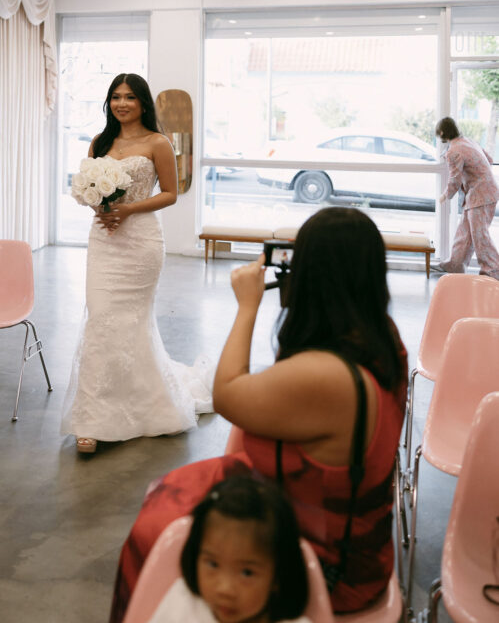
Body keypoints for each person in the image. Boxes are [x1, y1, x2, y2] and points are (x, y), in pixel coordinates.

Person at [109, 208, 407, 619]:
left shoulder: (328, 377)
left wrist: (247, 306)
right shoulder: (380, 337)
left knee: (151, 531)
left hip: (328, 566)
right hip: (353, 538)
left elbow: (227, 394)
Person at [61, 73, 212, 454]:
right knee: (100, 319)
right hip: (105, 237)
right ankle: (93, 418)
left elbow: (170, 194)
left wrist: (127, 210)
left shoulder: (157, 142)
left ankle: (144, 403)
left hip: (141, 240)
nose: (122, 103)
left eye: (129, 97)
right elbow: (88, 186)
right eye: (115, 97)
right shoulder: (101, 141)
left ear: (143, 103)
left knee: (131, 322)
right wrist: (102, 207)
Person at [147, 476, 309, 623]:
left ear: (277, 576)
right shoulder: (182, 604)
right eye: (212, 564)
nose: (225, 589)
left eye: (247, 572)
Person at [434, 116, 499, 279]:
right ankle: (455, 264)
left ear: (442, 132)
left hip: (480, 195)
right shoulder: (468, 141)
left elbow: (454, 180)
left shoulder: (453, 151)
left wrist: (444, 196)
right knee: (465, 232)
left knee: (479, 235)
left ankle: (492, 270)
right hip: (484, 192)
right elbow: (489, 160)